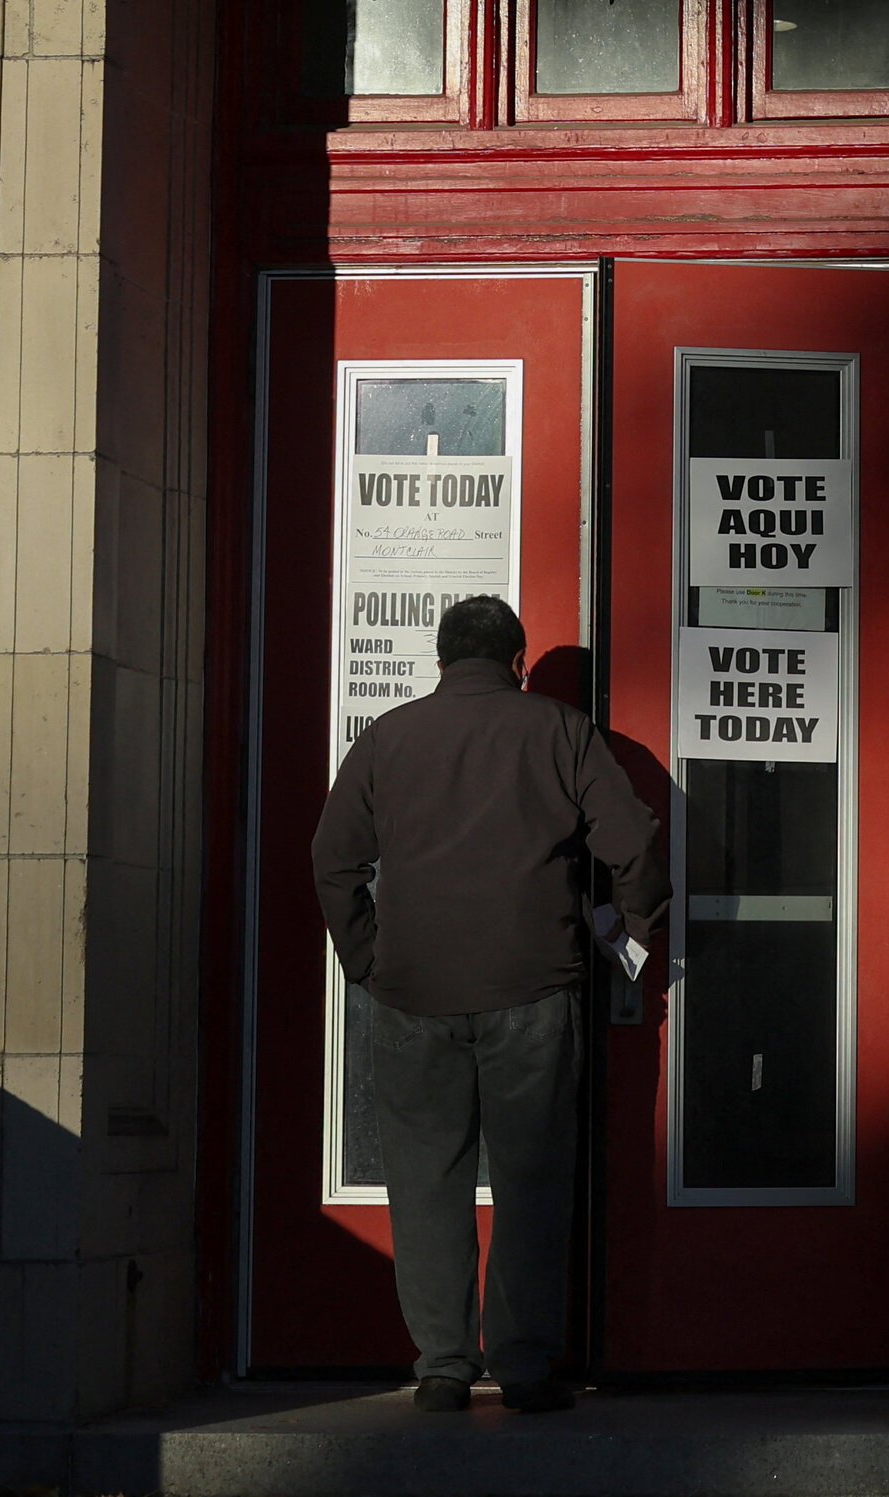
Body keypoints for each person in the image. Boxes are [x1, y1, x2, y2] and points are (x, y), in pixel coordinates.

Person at [312, 594, 669, 1414]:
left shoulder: (388, 737)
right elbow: (635, 841)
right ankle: (526, 1365)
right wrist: (638, 930)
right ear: (518, 661)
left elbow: (332, 858)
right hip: (532, 989)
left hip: (412, 995)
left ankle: (443, 1365)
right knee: (531, 1181)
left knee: (425, 1180)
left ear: (440, 661)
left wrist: (367, 957)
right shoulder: (560, 730)